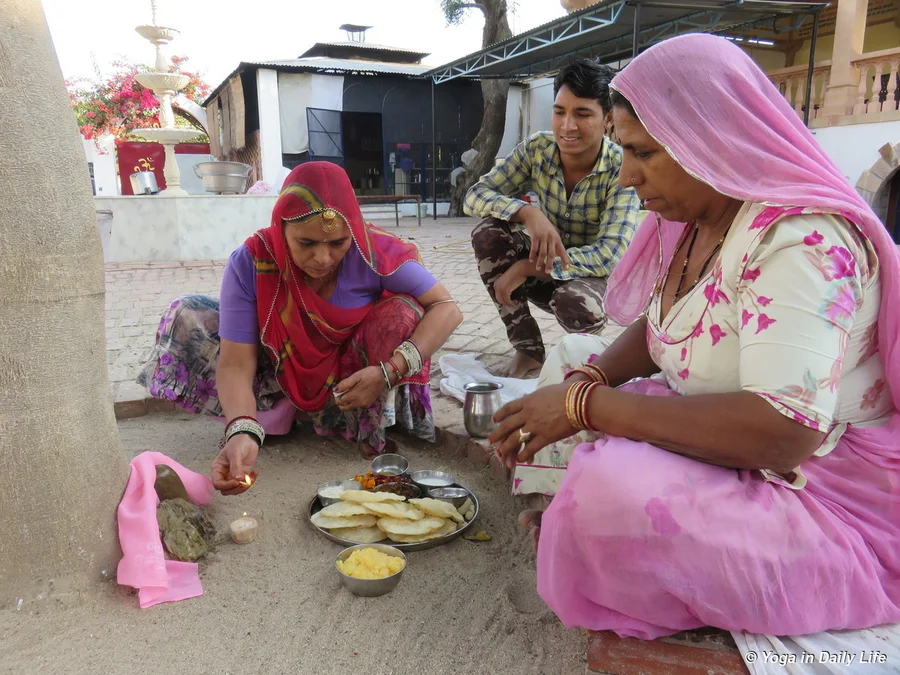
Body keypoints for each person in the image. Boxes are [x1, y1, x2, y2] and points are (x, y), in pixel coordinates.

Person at [489, 34, 900, 639]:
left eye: (643, 153)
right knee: (574, 359)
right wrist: (592, 380)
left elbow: (784, 433)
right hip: (732, 427)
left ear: (711, 141)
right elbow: (661, 324)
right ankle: (586, 525)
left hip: (818, 479)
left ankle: (600, 535)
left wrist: (586, 406)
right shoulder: (699, 216)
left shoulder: (802, 241)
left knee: (610, 486)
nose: (626, 176)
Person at [137, 162, 463, 495]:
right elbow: (236, 362)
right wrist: (241, 429)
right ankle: (265, 418)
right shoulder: (253, 261)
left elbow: (446, 308)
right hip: (276, 371)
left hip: (348, 382)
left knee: (402, 313)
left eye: (337, 243)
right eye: (306, 243)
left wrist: (388, 372)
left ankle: (351, 423)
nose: (323, 258)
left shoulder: (371, 252)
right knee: (188, 313)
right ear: (281, 228)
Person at [464, 58, 641, 378]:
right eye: (560, 111)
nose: (567, 126)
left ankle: (581, 355)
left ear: (609, 118)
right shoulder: (538, 150)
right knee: (488, 234)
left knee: (575, 301)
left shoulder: (621, 168)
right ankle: (528, 351)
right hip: (541, 270)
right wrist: (527, 212)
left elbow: (610, 254)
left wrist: (528, 266)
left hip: (587, 282)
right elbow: (475, 195)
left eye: (582, 114)